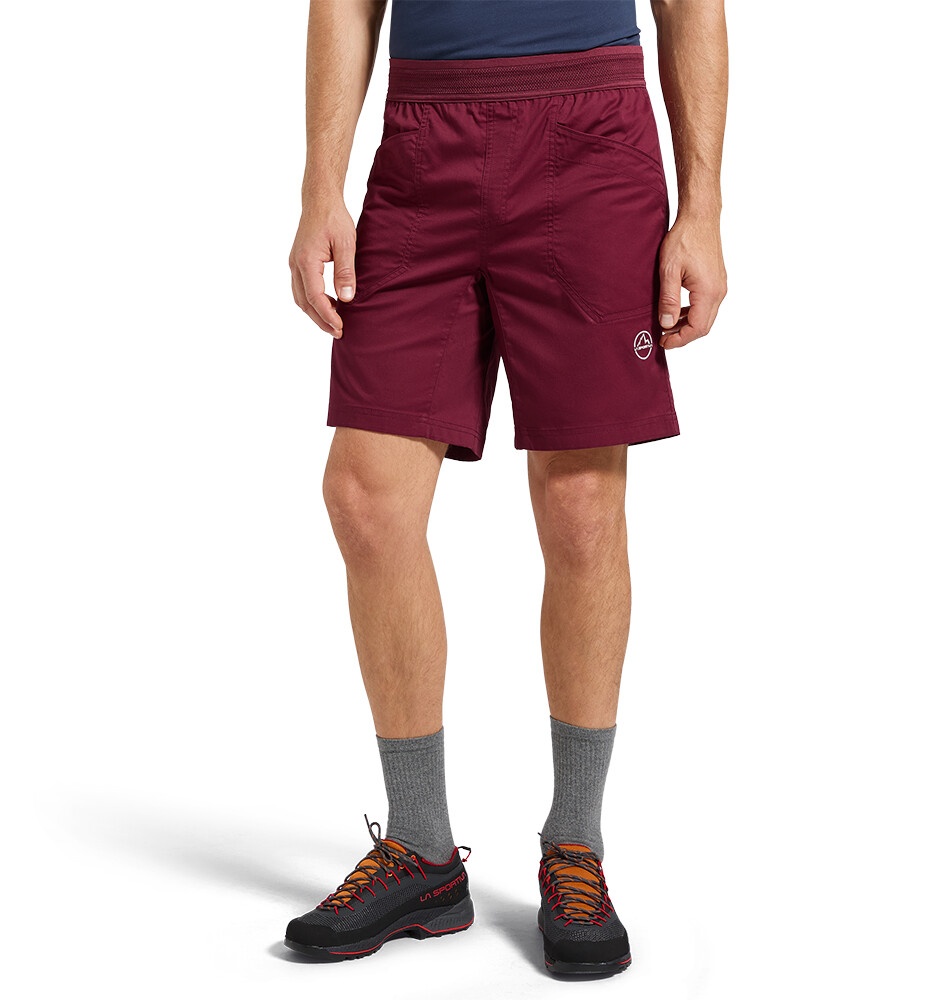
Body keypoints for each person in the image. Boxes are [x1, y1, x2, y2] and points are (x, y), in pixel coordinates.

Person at [284, 0, 727, 975]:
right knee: (365, 497)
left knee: (581, 508)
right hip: (423, 145)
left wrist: (702, 208)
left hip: (591, 138)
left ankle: (575, 843)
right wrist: (321, 185)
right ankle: (421, 851)